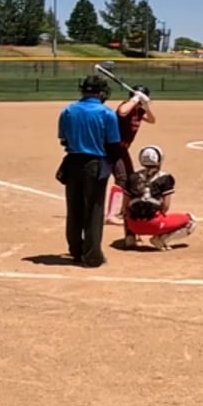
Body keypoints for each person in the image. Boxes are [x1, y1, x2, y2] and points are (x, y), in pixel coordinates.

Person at [57, 74, 120, 267]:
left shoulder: (68, 111)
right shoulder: (106, 113)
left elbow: (63, 140)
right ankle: (92, 254)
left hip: (73, 162)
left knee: (74, 207)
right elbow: (113, 144)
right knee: (94, 209)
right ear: (100, 92)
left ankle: (76, 250)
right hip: (95, 163)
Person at [122, 145, 196, 250]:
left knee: (128, 210)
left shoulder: (132, 177)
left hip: (133, 225)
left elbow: (124, 207)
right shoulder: (165, 178)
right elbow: (166, 206)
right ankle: (161, 239)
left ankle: (130, 237)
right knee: (191, 221)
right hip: (155, 224)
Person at [108, 86, 156, 245]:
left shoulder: (139, 111)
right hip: (113, 148)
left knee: (130, 179)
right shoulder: (126, 106)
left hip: (122, 149)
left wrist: (146, 106)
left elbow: (152, 120)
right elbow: (122, 112)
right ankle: (111, 215)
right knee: (122, 180)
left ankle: (123, 210)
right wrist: (135, 99)